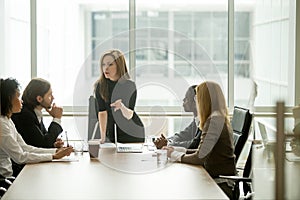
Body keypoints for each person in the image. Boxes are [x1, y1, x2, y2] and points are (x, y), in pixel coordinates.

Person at [163, 81, 236, 199]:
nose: (196, 101)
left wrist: (175, 155)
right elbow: (200, 151)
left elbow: (200, 157)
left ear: (204, 99)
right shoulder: (216, 117)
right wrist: (175, 150)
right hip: (214, 177)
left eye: (197, 97)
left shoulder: (214, 121)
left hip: (221, 184)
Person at [0, 78, 73, 178]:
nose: (21, 100)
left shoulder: (7, 120)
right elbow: (20, 157)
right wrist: (53, 156)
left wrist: (55, 152)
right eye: (17, 96)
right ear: (8, 99)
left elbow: (25, 147)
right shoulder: (3, 123)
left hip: (9, 175)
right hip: (5, 178)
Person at [94, 49, 145, 144]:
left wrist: (121, 106)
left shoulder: (129, 85)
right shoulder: (100, 86)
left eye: (110, 64)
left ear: (119, 65)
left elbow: (129, 115)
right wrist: (103, 137)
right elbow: (102, 113)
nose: (106, 68)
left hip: (133, 134)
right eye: (103, 64)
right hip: (113, 134)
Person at [12, 78, 64, 148]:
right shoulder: (25, 115)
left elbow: (43, 138)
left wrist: (53, 143)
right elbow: (43, 144)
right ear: (39, 98)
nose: (53, 98)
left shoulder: (35, 112)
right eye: (49, 95)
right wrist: (57, 118)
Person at [154, 85, 202, 149]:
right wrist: (167, 141)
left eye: (187, 98)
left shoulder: (205, 121)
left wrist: (168, 144)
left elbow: (194, 144)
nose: (183, 99)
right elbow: (182, 135)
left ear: (195, 102)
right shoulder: (196, 120)